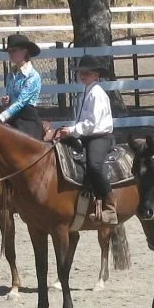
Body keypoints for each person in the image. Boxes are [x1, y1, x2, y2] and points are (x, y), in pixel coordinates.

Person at [53, 56, 115, 224]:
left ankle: (110, 206)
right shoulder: (86, 93)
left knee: (94, 166)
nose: (82, 75)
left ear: (96, 75)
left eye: (86, 73)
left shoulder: (97, 94)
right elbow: (83, 122)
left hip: (100, 137)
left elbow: (91, 124)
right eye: (81, 72)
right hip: (87, 135)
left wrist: (72, 130)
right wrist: (71, 131)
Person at [0, 33, 45, 139]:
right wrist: (6, 102)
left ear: (24, 51)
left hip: (27, 120)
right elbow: (12, 99)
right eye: (9, 51)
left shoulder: (32, 76)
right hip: (12, 117)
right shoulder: (11, 74)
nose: (10, 54)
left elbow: (21, 102)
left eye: (14, 50)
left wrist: (1, 117)